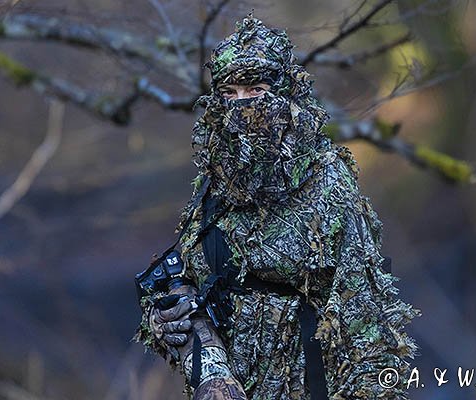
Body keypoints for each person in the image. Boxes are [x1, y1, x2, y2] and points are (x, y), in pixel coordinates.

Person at [134, 14, 419, 400]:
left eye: (255, 91)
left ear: (286, 97)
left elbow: (369, 329)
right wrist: (167, 323)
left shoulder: (326, 185)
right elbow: (179, 280)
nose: (241, 107)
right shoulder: (215, 187)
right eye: (229, 94)